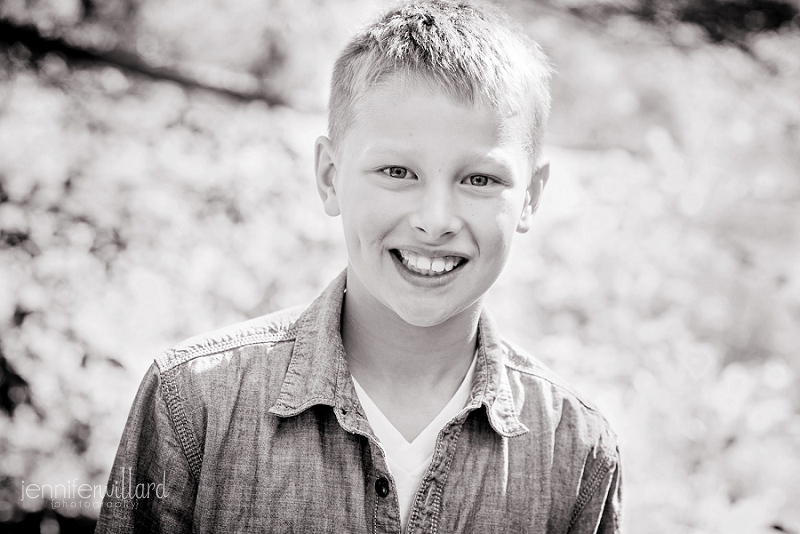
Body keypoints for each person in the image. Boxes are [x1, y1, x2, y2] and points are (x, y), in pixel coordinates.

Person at [96, 1, 622, 532]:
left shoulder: (575, 452)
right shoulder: (195, 404)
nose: (435, 221)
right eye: (398, 171)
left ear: (530, 195)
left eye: (479, 180)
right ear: (329, 176)